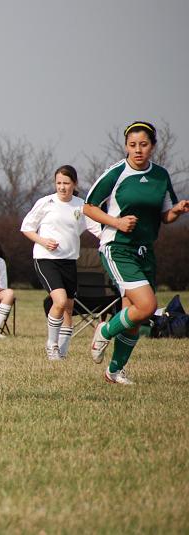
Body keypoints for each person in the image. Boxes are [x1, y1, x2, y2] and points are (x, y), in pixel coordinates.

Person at [84, 121, 189, 385]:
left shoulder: (161, 175)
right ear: (126, 147)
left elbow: (165, 215)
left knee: (134, 314)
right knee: (148, 305)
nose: (138, 150)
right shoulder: (116, 172)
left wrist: (177, 210)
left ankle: (114, 371)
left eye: (143, 144)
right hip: (117, 247)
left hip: (145, 250)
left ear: (153, 146)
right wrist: (116, 222)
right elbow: (88, 207)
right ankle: (104, 330)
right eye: (132, 145)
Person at [21, 165, 102, 360]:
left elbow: (97, 229)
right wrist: (43, 241)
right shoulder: (45, 202)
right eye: (58, 183)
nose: (62, 187)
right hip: (46, 259)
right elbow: (26, 227)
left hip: (69, 261)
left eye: (66, 183)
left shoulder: (82, 205)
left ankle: (62, 351)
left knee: (68, 308)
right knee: (59, 301)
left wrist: (112, 240)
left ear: (74, 184)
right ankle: (51, 345)